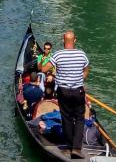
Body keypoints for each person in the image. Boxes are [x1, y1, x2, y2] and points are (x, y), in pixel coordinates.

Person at [41, 31, 89, 159]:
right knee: (79, 118)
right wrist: (78, 79)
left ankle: (68, 148)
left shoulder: (57, 55)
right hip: (78, 91)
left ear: (63, 41)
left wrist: (53, 74)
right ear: (75, 40)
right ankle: (77, 149)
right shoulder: (82, 54)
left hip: (63, 91)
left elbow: (43, 69)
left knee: (66, 118)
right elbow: (86, 70)